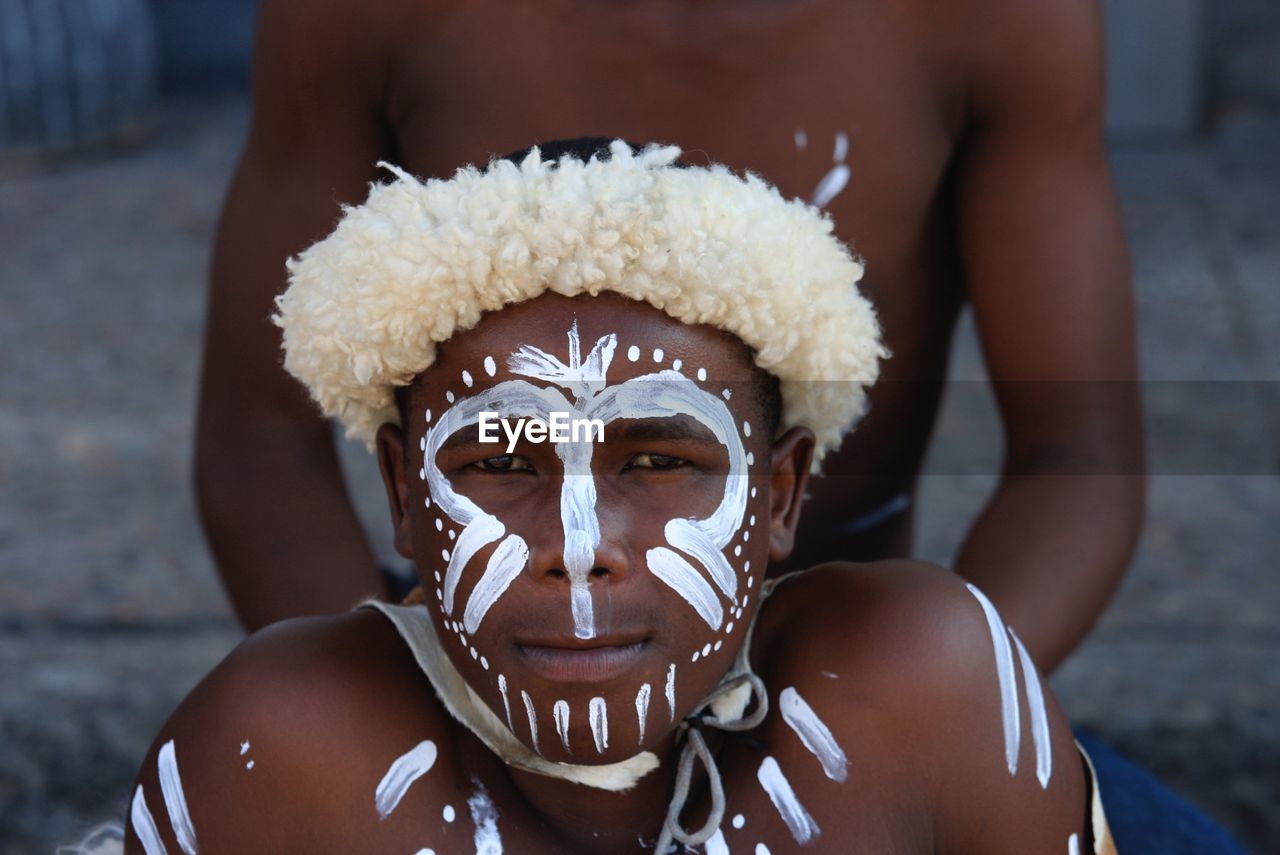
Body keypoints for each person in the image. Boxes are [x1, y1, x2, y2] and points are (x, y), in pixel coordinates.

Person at [130, 142, 1114, 854]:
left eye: (654, 464)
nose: (579, 544)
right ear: (401, 488)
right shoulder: (280, 749)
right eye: (500, 464)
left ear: (779, 494)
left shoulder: (926, 695)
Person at [196, 0, 1143, 676]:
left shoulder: (998, 18)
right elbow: (261, 442)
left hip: (837, 667)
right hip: (480, 661)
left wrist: (915, 712)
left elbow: (1078, 459)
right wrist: (400, 722)